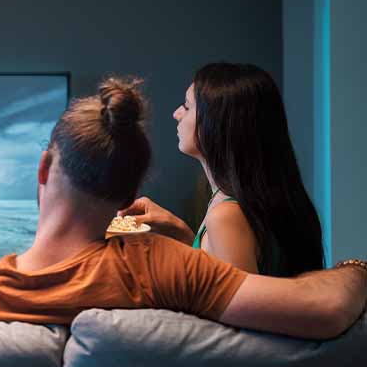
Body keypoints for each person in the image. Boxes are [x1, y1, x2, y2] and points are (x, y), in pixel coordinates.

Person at [0, 77, 366, 341]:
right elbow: (325, 309)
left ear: (44, 167)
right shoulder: (157, 266)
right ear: (129, 195)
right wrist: (355, 267)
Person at [120, 63, 323, 276]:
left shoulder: (226, 215)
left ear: (217, 123)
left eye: (187, 106)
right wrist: (181, 232)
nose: (176, 113)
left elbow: (243, 307)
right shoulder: (240, 203)